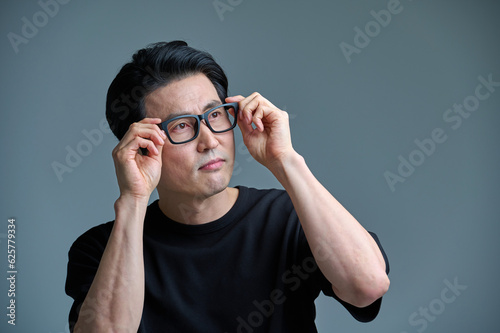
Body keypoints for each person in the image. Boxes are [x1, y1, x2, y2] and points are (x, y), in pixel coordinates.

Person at [65, 40, 390, 333]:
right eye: (181, 126)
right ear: (142, 145)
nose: (209, 141)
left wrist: (285, 160)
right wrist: (133, 199)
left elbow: (368, 286)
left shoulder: (289, 217)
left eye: (215, 115)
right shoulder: (102, 248)